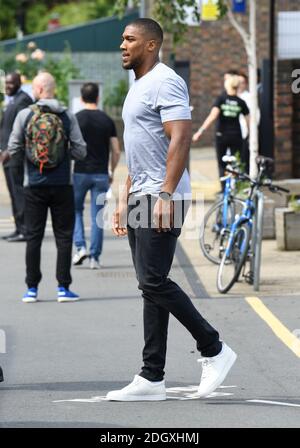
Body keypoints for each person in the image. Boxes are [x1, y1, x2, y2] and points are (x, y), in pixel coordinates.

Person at [106, 18, 237, 402]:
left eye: (129, 39)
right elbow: (140, 148)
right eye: (122, 39)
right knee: (150, 287)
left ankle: (213, 347)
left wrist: (164, 194)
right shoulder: (138, 87)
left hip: (161, 198)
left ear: (151, 45)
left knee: (152, 281)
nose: (122, 45)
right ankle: (151, 377)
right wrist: (123, 197)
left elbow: (179, 136)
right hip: (139, 195)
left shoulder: (165, 80)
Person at [5, 72, 86, 303]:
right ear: (52, 89)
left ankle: (32, 289)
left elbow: (13, 148)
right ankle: (63, 288)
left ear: (38, 90)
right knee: (63, 236)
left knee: (33, 237)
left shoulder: (24, 115)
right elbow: (81, 151)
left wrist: (28, 166)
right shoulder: (67, 115)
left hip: (34, 185)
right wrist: (62, 156)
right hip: (62, 185)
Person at [72, 82, 121, 269]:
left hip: (80, 173)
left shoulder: (75, 119)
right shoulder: (107, 120)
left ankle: (80, 247)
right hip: (101, 174)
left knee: (76, 211)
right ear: (98, 97)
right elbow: (116, 151)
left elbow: (70, 146)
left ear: (82, 98)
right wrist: (111, 170)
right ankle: (95, 258)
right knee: (97, 216)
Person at [193, 74, 250, 184]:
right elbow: (248, 120)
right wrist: (248, 135)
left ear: (227, 86)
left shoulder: (221, 99)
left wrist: (200, 132)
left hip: (221, 135)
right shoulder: (240, 102)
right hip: (236, 136)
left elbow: (212, 116)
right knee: (235, 162)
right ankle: (234, 186)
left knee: (221, 163)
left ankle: (224, 189)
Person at [0, 72, 33, 242]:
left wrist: (9, 150)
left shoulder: (23, 100)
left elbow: (22, 130)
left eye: (11, 84)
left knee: (19, 193)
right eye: (6, 83)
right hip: (6, 156)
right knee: (14, 194)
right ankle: (18, 228)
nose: (7, 87)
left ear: (19, 83)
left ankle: (26, 230)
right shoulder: (12, 100)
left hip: (15, 156)